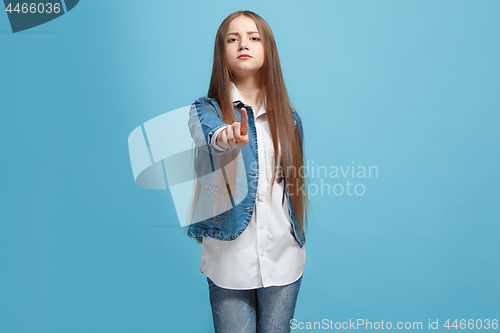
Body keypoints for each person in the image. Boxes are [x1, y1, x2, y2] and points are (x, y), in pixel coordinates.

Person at [187, 10, 309, 333]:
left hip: (284, 260)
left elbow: (292, 185)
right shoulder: (206, 110)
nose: (244, 44)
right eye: (233, 38)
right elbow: (209, 134)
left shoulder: (290, 119)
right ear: (222, 52)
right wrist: (227, 136)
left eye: (254, 38)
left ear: (268, 49)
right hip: (229, 263)